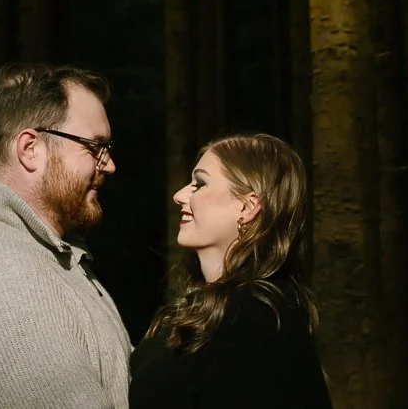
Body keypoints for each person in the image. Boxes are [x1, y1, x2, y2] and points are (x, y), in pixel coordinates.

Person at [0, 63, 132, 409]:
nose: (108, 165)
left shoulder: (39, 254)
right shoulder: (3, 279)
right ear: (30, 149)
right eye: (94, 147)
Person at [129, 133, 333, 408]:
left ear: (247, 207)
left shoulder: (260, 312)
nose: (179, 196)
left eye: (199, 184)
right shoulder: (205, 311)